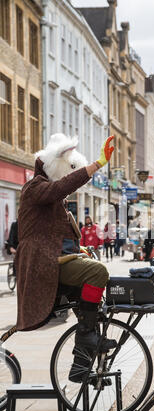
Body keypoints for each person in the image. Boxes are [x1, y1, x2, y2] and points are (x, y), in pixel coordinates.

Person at [14, 133, 115, 384]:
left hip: (51, 259)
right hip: (42, 265)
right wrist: (96, 165)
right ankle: (87, 339)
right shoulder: (36, 187)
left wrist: (78, 251)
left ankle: (81, 367)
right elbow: (62, 186)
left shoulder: (49, 197)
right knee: (98, 272)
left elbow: (55, 234)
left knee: (87, 314)